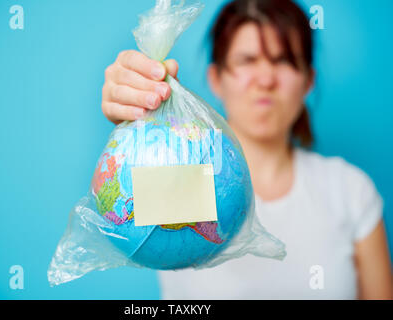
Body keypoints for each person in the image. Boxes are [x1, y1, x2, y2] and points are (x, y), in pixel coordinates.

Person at [100, 0, 393, 299]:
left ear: (308, 81)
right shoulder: (183, 177)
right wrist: (136, 109)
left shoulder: (349, 191)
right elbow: (124, 206)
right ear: (216, 78)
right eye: (247, 60)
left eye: (284, 61)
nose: (265, 79)